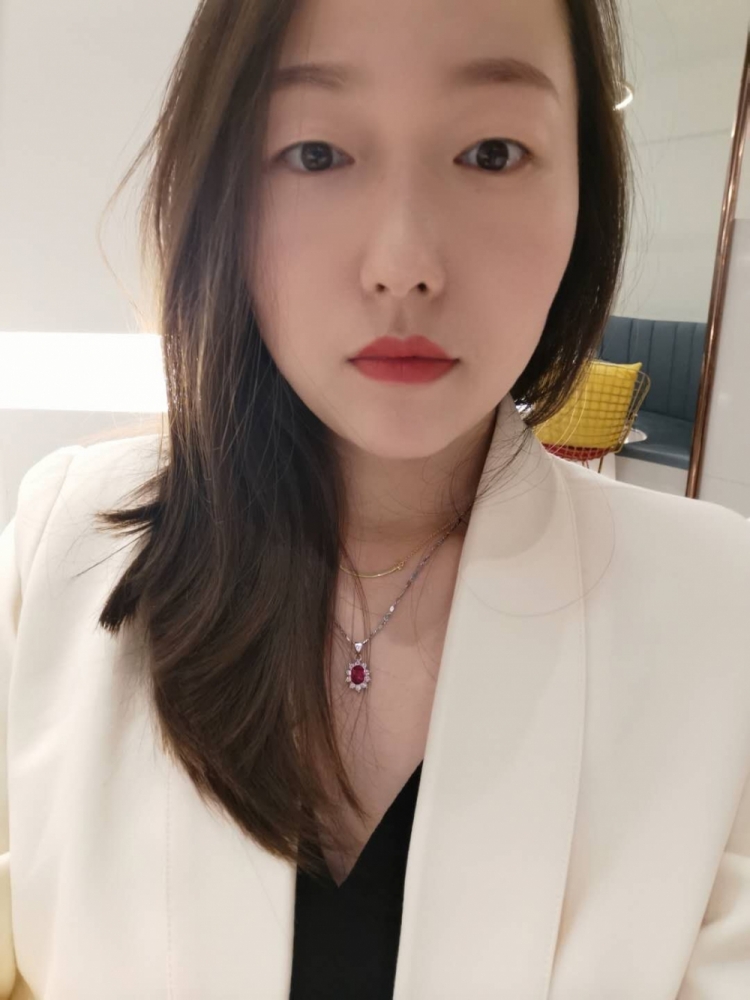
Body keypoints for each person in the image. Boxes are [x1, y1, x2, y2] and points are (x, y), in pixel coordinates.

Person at [1, 0, 750, 996]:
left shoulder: (717, 615)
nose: (404, 264)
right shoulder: (64, 545)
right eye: (315, 153)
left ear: (586, 187)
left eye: (491, 153)